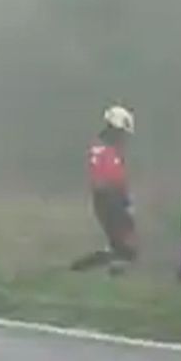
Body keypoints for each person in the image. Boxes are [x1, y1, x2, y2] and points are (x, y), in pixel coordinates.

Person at [71, 105, 137, 274]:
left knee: (121, 246)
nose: (123, 138)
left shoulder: (106, 149)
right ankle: (79, 269)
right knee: (125, 247)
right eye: (122, 133)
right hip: (109, 199)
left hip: (109, 199)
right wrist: (122, 201)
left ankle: (84, 269)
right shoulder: (104, 150)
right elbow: (109, 179)